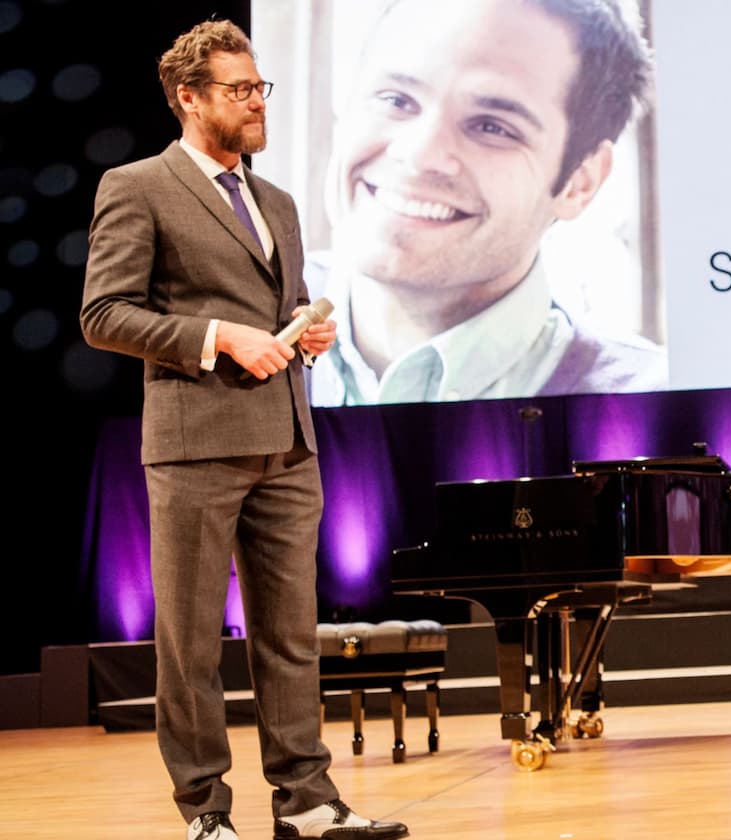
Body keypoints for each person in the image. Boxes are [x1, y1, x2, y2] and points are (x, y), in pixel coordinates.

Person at [80, 20, 408, 840]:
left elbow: (279, 311)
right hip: (196, 443)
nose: (256, 103)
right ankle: (206, 812)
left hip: (287, 443)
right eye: (238, 90)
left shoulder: (277, 202)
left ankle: (308, 801)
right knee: (189, 644)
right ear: (188, 99)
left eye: (260, 88)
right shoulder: (138, 185)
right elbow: (104, 314)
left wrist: (305, 330)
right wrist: (217, 337)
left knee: (291, 637)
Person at [306, 0, 662, 405]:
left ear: (581, 181)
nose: (420, 154)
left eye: (493, 127)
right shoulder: (229, 320)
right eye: (395, 99)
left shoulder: (662, 411)